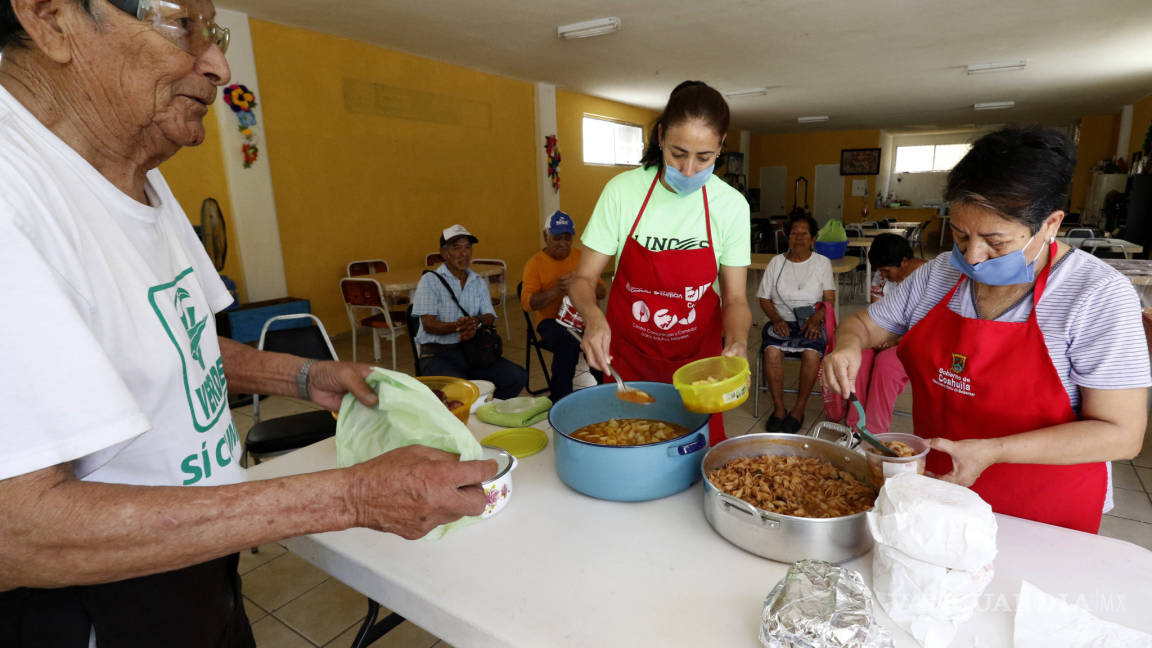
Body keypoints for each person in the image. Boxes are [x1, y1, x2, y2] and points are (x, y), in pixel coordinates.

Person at [0, 2, 495, 644]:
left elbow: (182, 342)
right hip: (99, 605)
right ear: (52, 18)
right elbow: (16, 530)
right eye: (182, 24)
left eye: (215, 30)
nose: (218, 64)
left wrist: (306, 374)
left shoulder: (132, 171)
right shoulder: (16, 196)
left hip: (199, 563)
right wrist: (348, 497)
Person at [823, 126, 1149, 533]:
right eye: (961, 235)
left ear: (1051, 224)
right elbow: (863, 324)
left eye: (995, 241)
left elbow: (1122, 434)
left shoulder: (1097, 295)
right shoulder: (940, 275)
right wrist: (849, 346)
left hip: (1044, 512)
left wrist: (994, 451)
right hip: (938, 491)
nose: (973, 257)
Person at [569, 80, 752, 446]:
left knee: (695, 451)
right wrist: (592, 317)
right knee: (625, 445)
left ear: (721, 146)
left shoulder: (731, 206)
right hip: (628, 359)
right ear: (660, 136)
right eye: (677, 153)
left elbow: (735, 300)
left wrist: (737, 343)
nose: (687, 170)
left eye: (704, 158)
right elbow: (582, 279)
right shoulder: (622, 192)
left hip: (698, 365)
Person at [413, 224, 527, 399]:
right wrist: (459, 327)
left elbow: (489, 316)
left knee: (516, 377)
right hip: (438, 355)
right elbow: (428, 324)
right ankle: (466, 416)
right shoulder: (430, 281)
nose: (463, 253)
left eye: (467, 247)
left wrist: (476, 322)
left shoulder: (477, 281)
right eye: (456, 248)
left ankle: (485, 412)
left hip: (473, 352)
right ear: (444, 253)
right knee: (461, 392)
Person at [756, 214, 836, 433]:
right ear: (787, 236)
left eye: (804, 233)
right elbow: (763, 298)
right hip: (779, 319)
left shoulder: (822, 263)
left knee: (811, 354)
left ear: (813, 238)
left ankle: (799, 409)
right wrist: (776, 319)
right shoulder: (776, 262)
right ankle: (779, 409)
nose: (798, 238)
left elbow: (829, 299)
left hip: (810, 321)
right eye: (793, 233)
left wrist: (816, 319)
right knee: (771, 352)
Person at [842, 233, 927, 435]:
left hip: (917, 341)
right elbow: (875, 314)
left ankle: (875, 433)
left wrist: (894, 340)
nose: (883, 276)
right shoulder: (883, 275)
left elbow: (928, 327)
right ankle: (854, 428)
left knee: (887, 365)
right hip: (888, 336)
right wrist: (880, 337)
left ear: (904, 262)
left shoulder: (929, 278)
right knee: (861, 357)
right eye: (881, 271)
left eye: (887, 271)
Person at [520, 210, 605, 400]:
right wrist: (556, 289)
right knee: (569, 341)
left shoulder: (581, 257)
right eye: (557, 237)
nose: (563, 243)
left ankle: (606, 389)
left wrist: (583, 283)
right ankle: (560, 398)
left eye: (568, 238)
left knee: (600, 337)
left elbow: (602, 291)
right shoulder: (534, 264)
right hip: (550, 321)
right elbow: (527, 303)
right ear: (546, 236)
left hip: (581, 318)